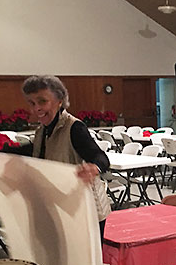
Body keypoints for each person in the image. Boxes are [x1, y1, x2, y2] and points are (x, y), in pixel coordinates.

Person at [20, 75, 111, 239]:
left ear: (59, 101)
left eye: (42, 101)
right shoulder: (42, 130)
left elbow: (100, 157)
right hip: (60, 207)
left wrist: (94, 167)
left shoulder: (74, 128)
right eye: (32, 103)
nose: (36, 109)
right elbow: (33, 150)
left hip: (86, 211)